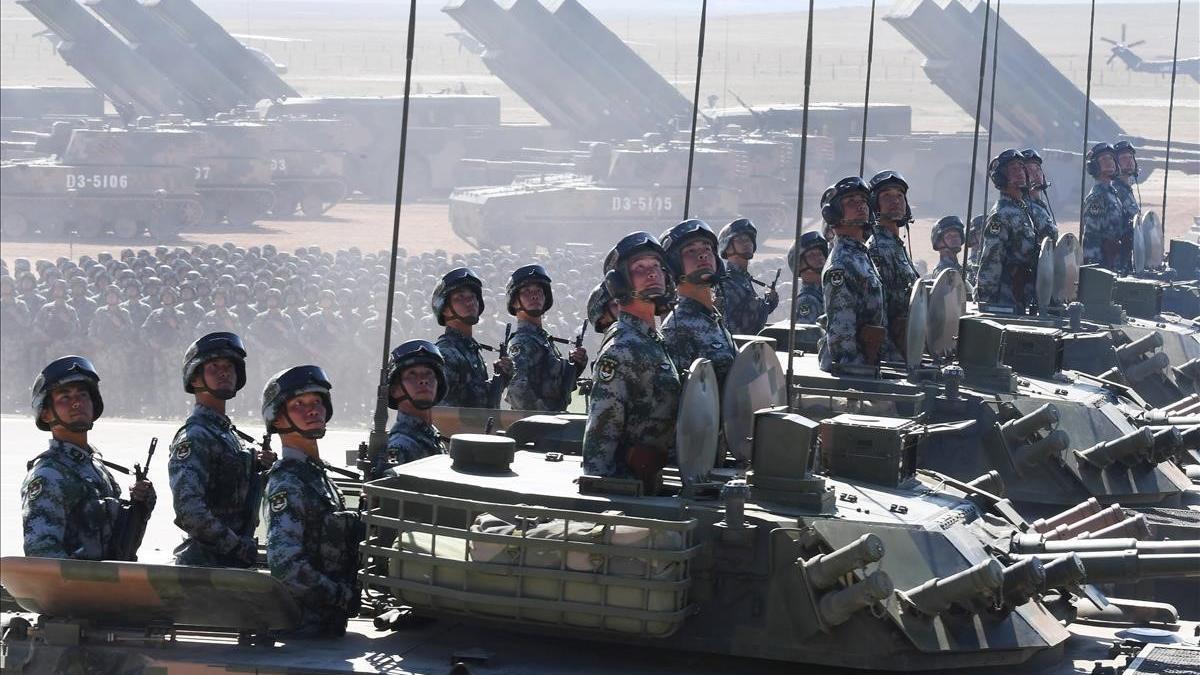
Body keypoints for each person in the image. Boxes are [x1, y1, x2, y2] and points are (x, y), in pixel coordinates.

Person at [22, 356, 156, 559]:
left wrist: (140, 505)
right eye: (64, 397)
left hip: (107, 586)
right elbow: (42, 554)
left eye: (83, 395)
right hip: (75, 589)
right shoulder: (48, 475)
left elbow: (114, 541)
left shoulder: (96, 467)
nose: (76, 403)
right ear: (46, 414)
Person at [262, 365, 362, 637]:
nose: (313, 409)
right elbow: (285, 564)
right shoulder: (289, 482)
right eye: (299, 404)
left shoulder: (317, 477)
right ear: (278, 418)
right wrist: (339, 595)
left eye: (317, 401)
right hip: (304, 630)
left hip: (325, 628)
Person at [582, 232, 681, 492]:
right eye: (640, 268)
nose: (652, 273)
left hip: (650, 485)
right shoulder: (621, 350)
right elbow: (599, 440)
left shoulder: (651, 341)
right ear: (619, 284)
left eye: (656, 267)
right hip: (629, 493)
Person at [169, 332, 275, 567]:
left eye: (229, 366)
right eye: (214, 367)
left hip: (227, 563)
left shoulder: (227, 434)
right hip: (205, 568)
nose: (224, 372)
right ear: (195, 379)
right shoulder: (195, 436)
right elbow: (190, 510)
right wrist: (236, 546)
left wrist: (255, 465)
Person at [818, 176, 888, 372]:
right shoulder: (840, 265)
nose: (861, 206)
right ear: (833, 213)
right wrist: (860, 376)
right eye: (851, 202)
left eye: (863, 201)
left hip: (869, 360)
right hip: (853, 369)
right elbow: (841, 335)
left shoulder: (859, 255)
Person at [660, 220, 738, 387]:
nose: (703, 255)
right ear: (674, 265)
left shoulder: (713, 318)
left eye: (707, 249)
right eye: (691, 251)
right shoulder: (677, 328)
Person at [504, 264, 587, 411]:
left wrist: (574, 369)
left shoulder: (542, 340)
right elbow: (518, 391)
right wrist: (545, 420)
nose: (534, 295)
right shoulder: (521, 343)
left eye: (538, 291)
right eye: (526, 292)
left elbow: (552, 388)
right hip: (536, 430)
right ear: (514, 301)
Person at [431, 268, 511, 408]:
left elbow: (476, 403)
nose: (470, 302)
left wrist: (500, 379)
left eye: (473, 297)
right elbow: (444, 413)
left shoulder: (470, 349)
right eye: (459, 298)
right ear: (444, 309)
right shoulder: (446, 353)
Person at [976, 149, 1041, 308]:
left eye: (1021, 168)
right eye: (1013, 169)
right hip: (1006, 298)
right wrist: (985, 302)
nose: (1020, 173)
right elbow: (992, 259)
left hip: (1023, 295)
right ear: (1001, 177)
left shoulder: (1023, 209)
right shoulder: (1001, 215)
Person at [374, 340, 448, 478]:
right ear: (395, 390)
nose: (423, 380)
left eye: (429, 373)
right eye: (412, 374)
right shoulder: (400, 446)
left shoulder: (429, 436)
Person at [867, 171, 920, 357]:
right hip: (893, 349)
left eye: (899, 196)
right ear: (875, 205)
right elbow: (879, 309)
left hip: (908, 342)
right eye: (887, 196)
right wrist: (892, 356)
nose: (895, 201)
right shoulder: (877, 248)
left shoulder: (896, 245)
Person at [715, 218, 779, 335]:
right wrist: (766, 304)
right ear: (727, 247)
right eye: (740, 240)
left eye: (749, 239)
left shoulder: (743, 280)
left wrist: (769, 302)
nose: (747, 243)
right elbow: (734, 326)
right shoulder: (727, 284)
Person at [1081, 142, 1131, 273]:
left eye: (1111, 158)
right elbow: (1091, 238)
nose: (1109, 162)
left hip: (1117, 263)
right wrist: (1097, 271)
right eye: (1103, 159)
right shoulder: (1097, 197)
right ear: (1094, 166)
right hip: (1104, 266)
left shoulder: (1112, 193)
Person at [789, 231, 828, 324]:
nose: (819, 258)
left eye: (820, 254)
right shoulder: (807, 301)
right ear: (799, 265)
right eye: (811, 255)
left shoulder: (825, 291)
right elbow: (806, 336)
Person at [1021, 149, 1059, 243]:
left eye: (1038, 169)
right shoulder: (1026, 206)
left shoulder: (1038, 205)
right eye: (1030, 170)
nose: (1037, 174)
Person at [1113, 140, 1142, 257]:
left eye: (1131, 157)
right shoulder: (1115, 191)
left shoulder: (1126, 189)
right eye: (1124, 158)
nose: (1129, 161)